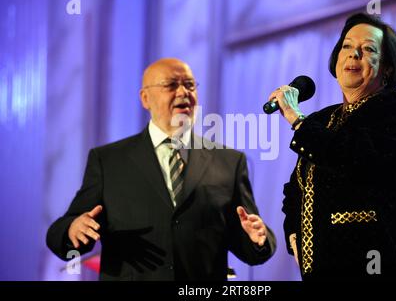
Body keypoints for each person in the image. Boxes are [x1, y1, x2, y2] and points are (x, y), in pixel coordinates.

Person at [47, 58, 276, 280]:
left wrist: (258, 239)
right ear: (145, 98)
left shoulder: (229, 162)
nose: (183, 92)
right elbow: (63, 231)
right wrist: (72, 229)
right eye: (171, 85)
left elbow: (249, 239)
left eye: (189, 85)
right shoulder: (108, 160)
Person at [269, 13, 396, 280]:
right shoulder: (320, 120)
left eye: (368, 49)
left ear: (388, 68)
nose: (353, 54)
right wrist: (294, 232)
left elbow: (354, 156)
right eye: (346, 46)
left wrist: (296, 119)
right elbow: (294, 190)